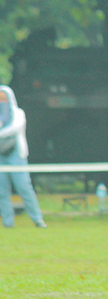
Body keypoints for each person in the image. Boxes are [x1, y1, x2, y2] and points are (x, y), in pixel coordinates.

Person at [0, 84, 47, 229]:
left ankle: (38, 220)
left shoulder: (19, 113)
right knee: (2, 191)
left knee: (24, 188)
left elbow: (14, 127)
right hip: (1, 155)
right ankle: (8, 222)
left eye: (3, 97)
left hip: (16, 155)